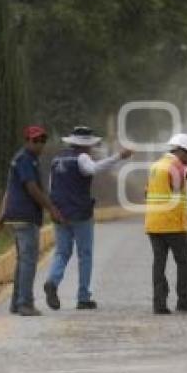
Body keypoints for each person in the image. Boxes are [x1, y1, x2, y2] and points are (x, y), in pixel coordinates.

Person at [43, 126, 132, 311]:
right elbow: (94, 169)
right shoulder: (82, 158)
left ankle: (52, 281)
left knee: (62, 252)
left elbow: (52, 186)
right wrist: (118, 157)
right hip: (80, 214)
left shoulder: (57, 159)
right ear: (85, 145)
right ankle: (83, 297)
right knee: (85, 255)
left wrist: (53, 209)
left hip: (60, 213)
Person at [0, 126, 64, 316]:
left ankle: (16, 303)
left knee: (22, 260)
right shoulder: (25, 159)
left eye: (42, 140)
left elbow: (10, 189)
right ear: (27, 141)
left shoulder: (25, 159)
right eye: (35, 140)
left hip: (17, 216)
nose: (39, 143)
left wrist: (2, 215)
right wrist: (51, 209)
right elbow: (32, 188)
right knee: (28, 261)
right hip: (25, 217)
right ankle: (25, 303)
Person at [144, 133, 187, 315]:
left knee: (159, 264)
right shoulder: (175, 165)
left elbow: (146, 192)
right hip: (172, 224)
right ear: (181, 151)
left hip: (154, 224)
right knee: (183, 263)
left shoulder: (156, 166)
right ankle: (185, 301)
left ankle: (159, 303)